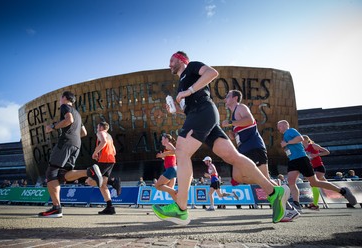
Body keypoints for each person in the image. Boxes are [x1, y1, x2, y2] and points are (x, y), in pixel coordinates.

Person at [152, 51, 290, 225]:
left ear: (181, 60)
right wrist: (175, 109)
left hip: (204, 112)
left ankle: (181, 208)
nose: (169, 64)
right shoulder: (181, 84)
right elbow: (188, 107)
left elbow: (212, 73)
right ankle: (274, 192)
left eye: (172, 60)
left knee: (181, 151)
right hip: (201, 116)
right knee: (233, 157)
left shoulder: (192, 67)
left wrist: (188, 91)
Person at [222, 90, 298, 222]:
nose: (225, 99)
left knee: (263, 178)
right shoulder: (234, 115)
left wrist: (230, 122)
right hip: (244, 149)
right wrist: (231, 132)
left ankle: (288, 209)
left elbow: (250, 120)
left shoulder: (241, 107)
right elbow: (239, 134)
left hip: (254, 147)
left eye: (227, 96)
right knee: (239, 176)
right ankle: (283, 200)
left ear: (234, 98)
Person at [38, 91, 103, 218]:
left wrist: (53, 126)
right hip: (76, 144)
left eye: (60, 98)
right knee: (62, 175)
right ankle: (89, 172)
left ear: (64, 98)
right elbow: (83, 132)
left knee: (51, 173)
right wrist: (72, 135)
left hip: (66, 143)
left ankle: (56, 208)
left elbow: (69, 120)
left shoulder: (65, 107)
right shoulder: (77, 113)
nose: (60, 100)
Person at [277, 120, 357, 213]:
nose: (278, 128)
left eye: (280, 126)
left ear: (285, 125)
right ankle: (296, 204)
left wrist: (287, 143)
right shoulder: (284, 136)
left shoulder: (290, 131)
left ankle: (342, 191)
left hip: (302, 159)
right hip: (292, 161)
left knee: (314, 183)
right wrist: (286, 148)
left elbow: (300, 138)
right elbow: (290, 148)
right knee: (291, 181)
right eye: (278, 126)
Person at [85, 121, 118, 215]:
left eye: (97, 126)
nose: (96, 128)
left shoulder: (101, 133)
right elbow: (114, 151)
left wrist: (95, 152)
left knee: (89, 181)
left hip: (104, 160)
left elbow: (103, 142)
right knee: (102, 185)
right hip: (111, 160)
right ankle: (110, 207)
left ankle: (113, 181)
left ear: (101, 127)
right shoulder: (109, 136)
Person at [302, 135, 330, 210]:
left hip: (319, 167)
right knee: (327, 185)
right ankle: (343, 192)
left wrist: (317, 154)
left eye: (301, 139)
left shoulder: (313, 146)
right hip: (313, 168)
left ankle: (315, 204)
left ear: (305, 140)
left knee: (313, 183)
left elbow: (327, 152)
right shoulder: (303, 149)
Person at [154, 133, 178, 201]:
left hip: (171, 169)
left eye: (162, 139)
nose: (161, 141)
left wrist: (164, 154)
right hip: (173, 169)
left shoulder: (168, 144)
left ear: (166, 139)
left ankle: (176, 192)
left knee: (158, 186)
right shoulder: (167, 147)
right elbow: (170, 156)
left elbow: (176, 152)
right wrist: (162, 156)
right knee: (170, 189)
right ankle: (179, 206)